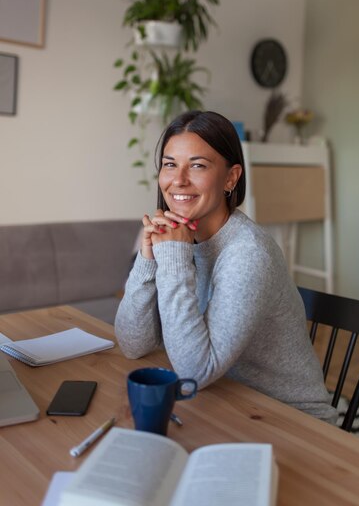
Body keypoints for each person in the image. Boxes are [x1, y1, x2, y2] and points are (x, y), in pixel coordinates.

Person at [115, 110, 337, 423]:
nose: (178, 180)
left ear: (231, 177)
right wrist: (147, 259)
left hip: (291, 421)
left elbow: (193, 372)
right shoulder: (176, 239)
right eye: (169, 164)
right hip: (224, 401)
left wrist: (175, 259)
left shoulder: (248, 253)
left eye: (197, 165)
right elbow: (131, 343)